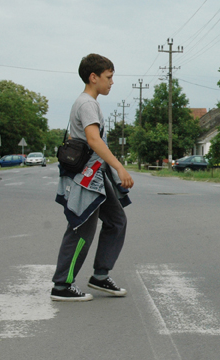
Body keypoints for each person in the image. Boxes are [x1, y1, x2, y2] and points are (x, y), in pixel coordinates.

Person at [51, 54, 134, 301]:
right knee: (81, 230)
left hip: (96, 178)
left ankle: (100, 276)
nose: (111, 82)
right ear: (93, 77)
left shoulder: (89, 102)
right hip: (86, 180)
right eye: (108, 77)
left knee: (116, 220)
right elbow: (93, 139)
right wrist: (120, 168)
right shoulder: (87, 103)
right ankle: (62, 285)